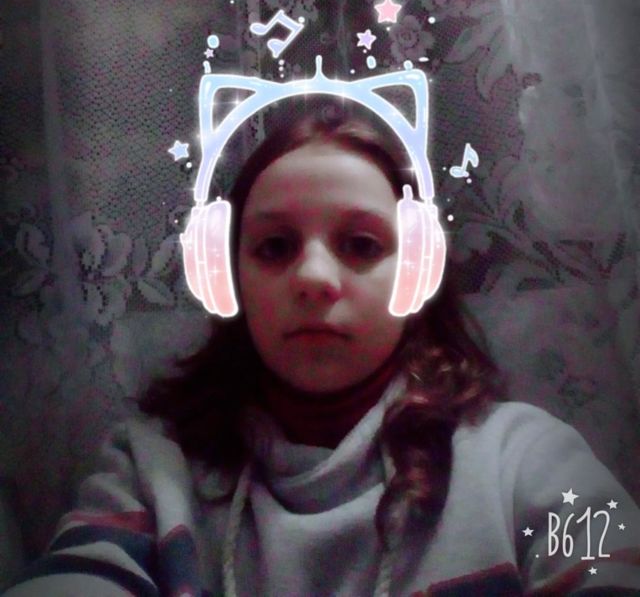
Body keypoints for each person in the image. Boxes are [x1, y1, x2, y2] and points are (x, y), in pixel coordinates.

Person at [3, 103, 640, 596]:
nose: (312, 278)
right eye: (275, 247)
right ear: (226, 278)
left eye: (361, 245)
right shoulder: (149, 475)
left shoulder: (526, 462)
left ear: (417, 270)